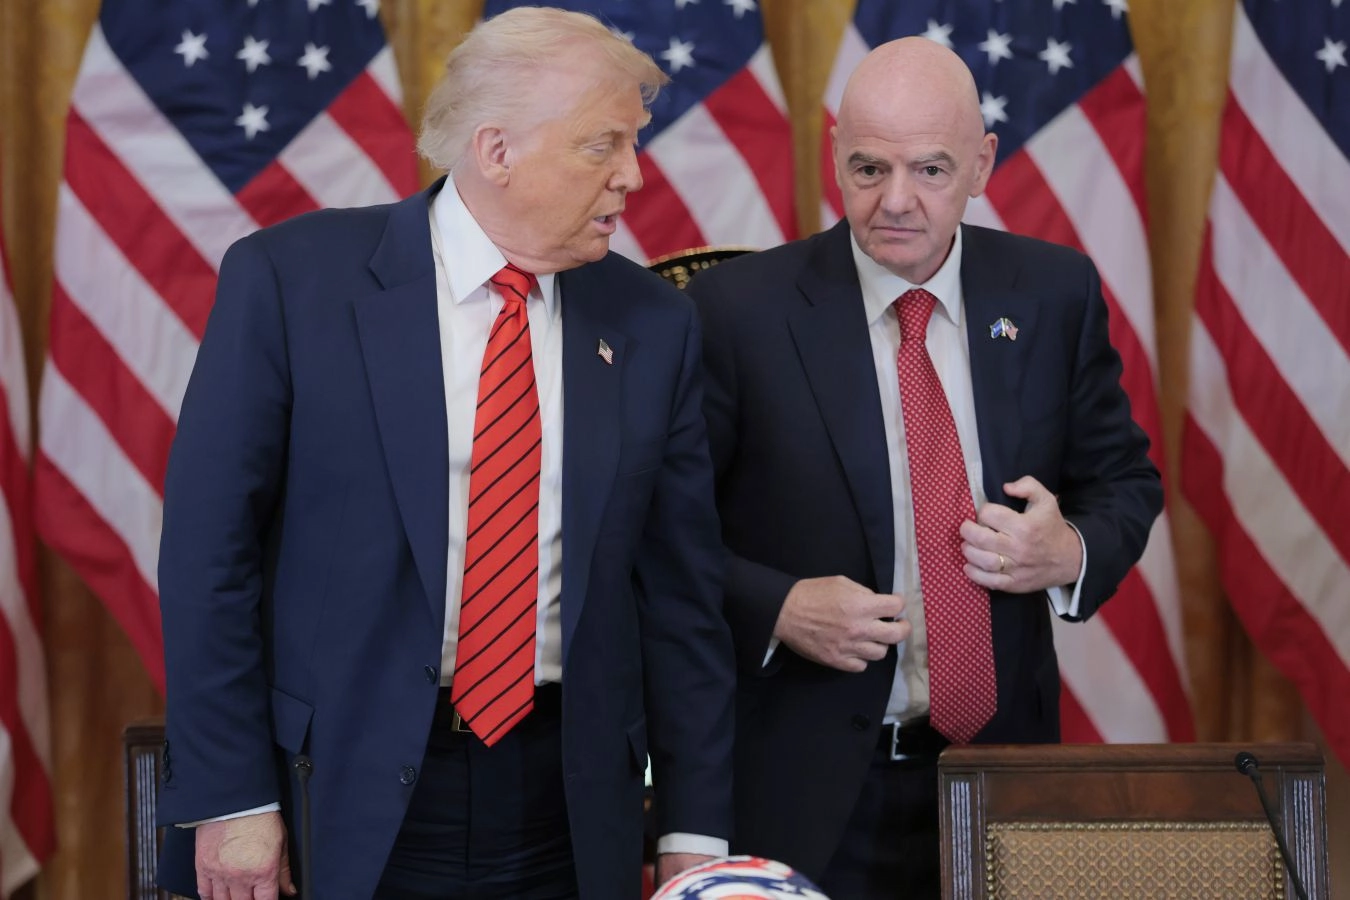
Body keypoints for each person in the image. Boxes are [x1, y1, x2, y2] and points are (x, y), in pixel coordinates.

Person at [155, 8, 736, 899]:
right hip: (340, 793)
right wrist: (233, 798)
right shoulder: (292, 283)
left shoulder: (654, 324)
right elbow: (208, 558)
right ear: (496, 151)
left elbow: (681, 599)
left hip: (569, 810)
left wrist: (694, 829)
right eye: (603, 146)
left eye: (633, 143)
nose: (632, 175)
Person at [684, 36, 1162, 899]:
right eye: (869, 169)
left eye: (931, 170)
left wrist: (1069, 552)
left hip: (1002, 776)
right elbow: (664, 529)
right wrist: (778, 606)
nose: (895, 201)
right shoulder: (738, 312)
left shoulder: (1054, 293)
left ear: (982, 164)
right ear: (836, 154)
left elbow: (1125, 482)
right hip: (805, 786)